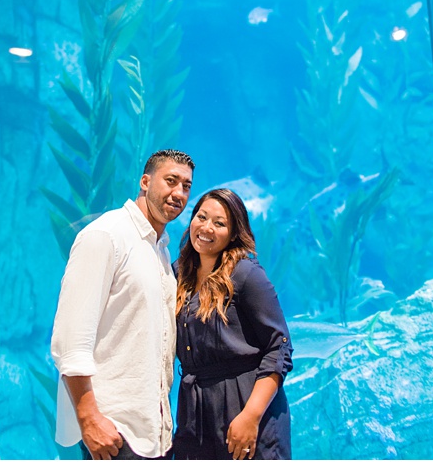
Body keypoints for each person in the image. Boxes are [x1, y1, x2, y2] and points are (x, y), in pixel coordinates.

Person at [51, 149, 195, 460]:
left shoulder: (160, 250)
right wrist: (90, 421)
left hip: (154, 434)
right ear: (145, 181)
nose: (178, 193)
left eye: (186, 186)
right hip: (114, 433)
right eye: (171, 181)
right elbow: (70, 339)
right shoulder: (106, 235)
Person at [172, 188, 293, 460]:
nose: (207, 228)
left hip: (246, 404)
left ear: (234, 232)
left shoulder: (246, 275)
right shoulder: (177, 274)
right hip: (195, 412)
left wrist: (250, 416)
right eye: (201, 217)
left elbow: (279, 349)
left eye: (220, 223)